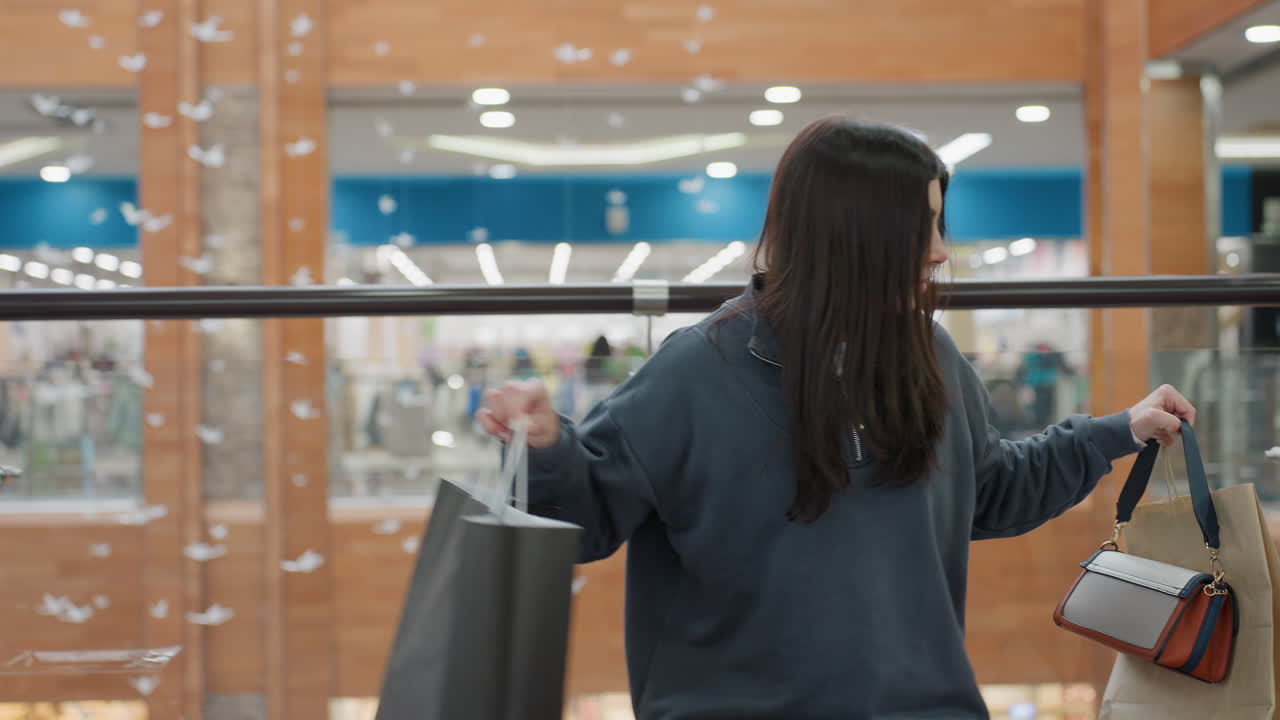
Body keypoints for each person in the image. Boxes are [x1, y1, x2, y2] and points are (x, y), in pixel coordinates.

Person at [477, 118, 1196, 720]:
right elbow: (590, 516)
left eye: (941, 223)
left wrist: (1117, 431)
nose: (941, 250)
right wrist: (546, 447)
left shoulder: (930, 356)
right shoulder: (700, 370)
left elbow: (990, 490)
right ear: (852, 236)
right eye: (920, 226)